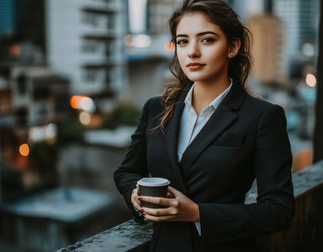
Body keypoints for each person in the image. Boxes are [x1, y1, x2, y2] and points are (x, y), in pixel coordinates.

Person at [114, 0, 294, 251]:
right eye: (183, 41)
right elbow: (126, 172)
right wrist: (135, 197)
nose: (192, 52)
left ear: (232, 47)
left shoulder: (262, 117)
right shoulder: (156, 108)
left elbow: (279, 210)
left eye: (207, 40)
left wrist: (198, 213)